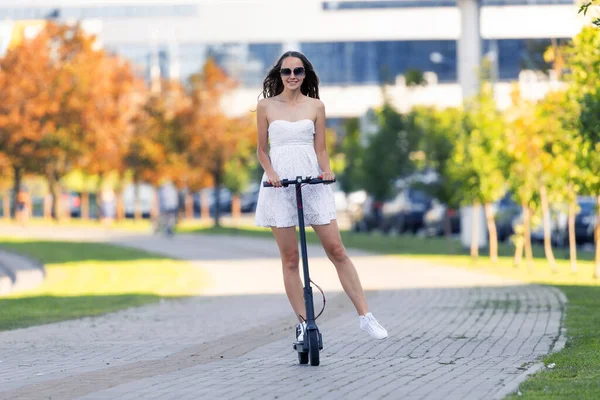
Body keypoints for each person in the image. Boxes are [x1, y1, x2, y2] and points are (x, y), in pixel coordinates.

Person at [254, 51, 388, 341]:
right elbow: (262, 150)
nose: (292, 76)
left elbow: (321, 149)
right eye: (287, 71)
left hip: (312, 182)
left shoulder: (316, 106)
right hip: (279, 185)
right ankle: (304, 325)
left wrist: (326, 170)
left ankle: (366, 316)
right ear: (279, 74)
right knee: (290, 259)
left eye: (298, 71)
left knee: (336, 250)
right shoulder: (266, 106)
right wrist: (271, 172)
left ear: (305, 75)